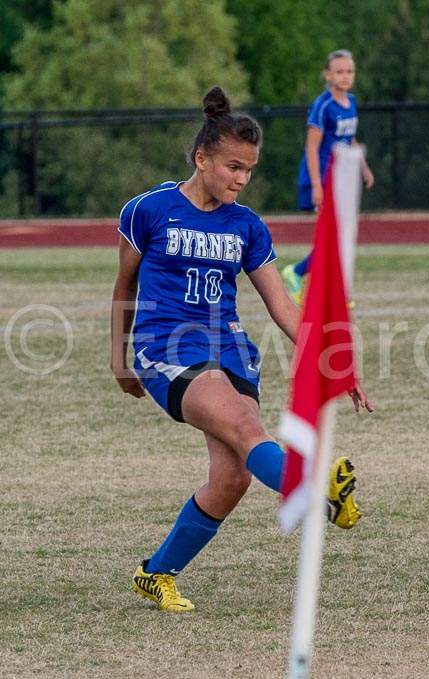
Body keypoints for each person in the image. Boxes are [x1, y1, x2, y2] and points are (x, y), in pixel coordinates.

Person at [110, 87, 373, 612]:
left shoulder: (247, 225)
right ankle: (319, 485)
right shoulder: (150, 209)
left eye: (249, 170)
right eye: (233, 166)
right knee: (250, 431)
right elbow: (124, 285)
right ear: (201, 158)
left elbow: (281, 303)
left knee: (232, 477)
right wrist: (119, 359)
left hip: (231, 352)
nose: (241, 179)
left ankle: (155, 571)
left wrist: (334, 359)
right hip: (168, 349)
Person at [281, 49, 374, 303]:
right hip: (320, 179)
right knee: (332, 237)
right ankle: (303, 277)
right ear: (328, 75)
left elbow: (349, 138)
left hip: (340, 180)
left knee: (338, 237)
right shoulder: (323, 106)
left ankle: (305, 278)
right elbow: (311, 147)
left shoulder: (351, 102)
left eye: (349, 71)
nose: (345, 76)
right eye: (339, 71)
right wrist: (316, 185)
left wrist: (364, 167)